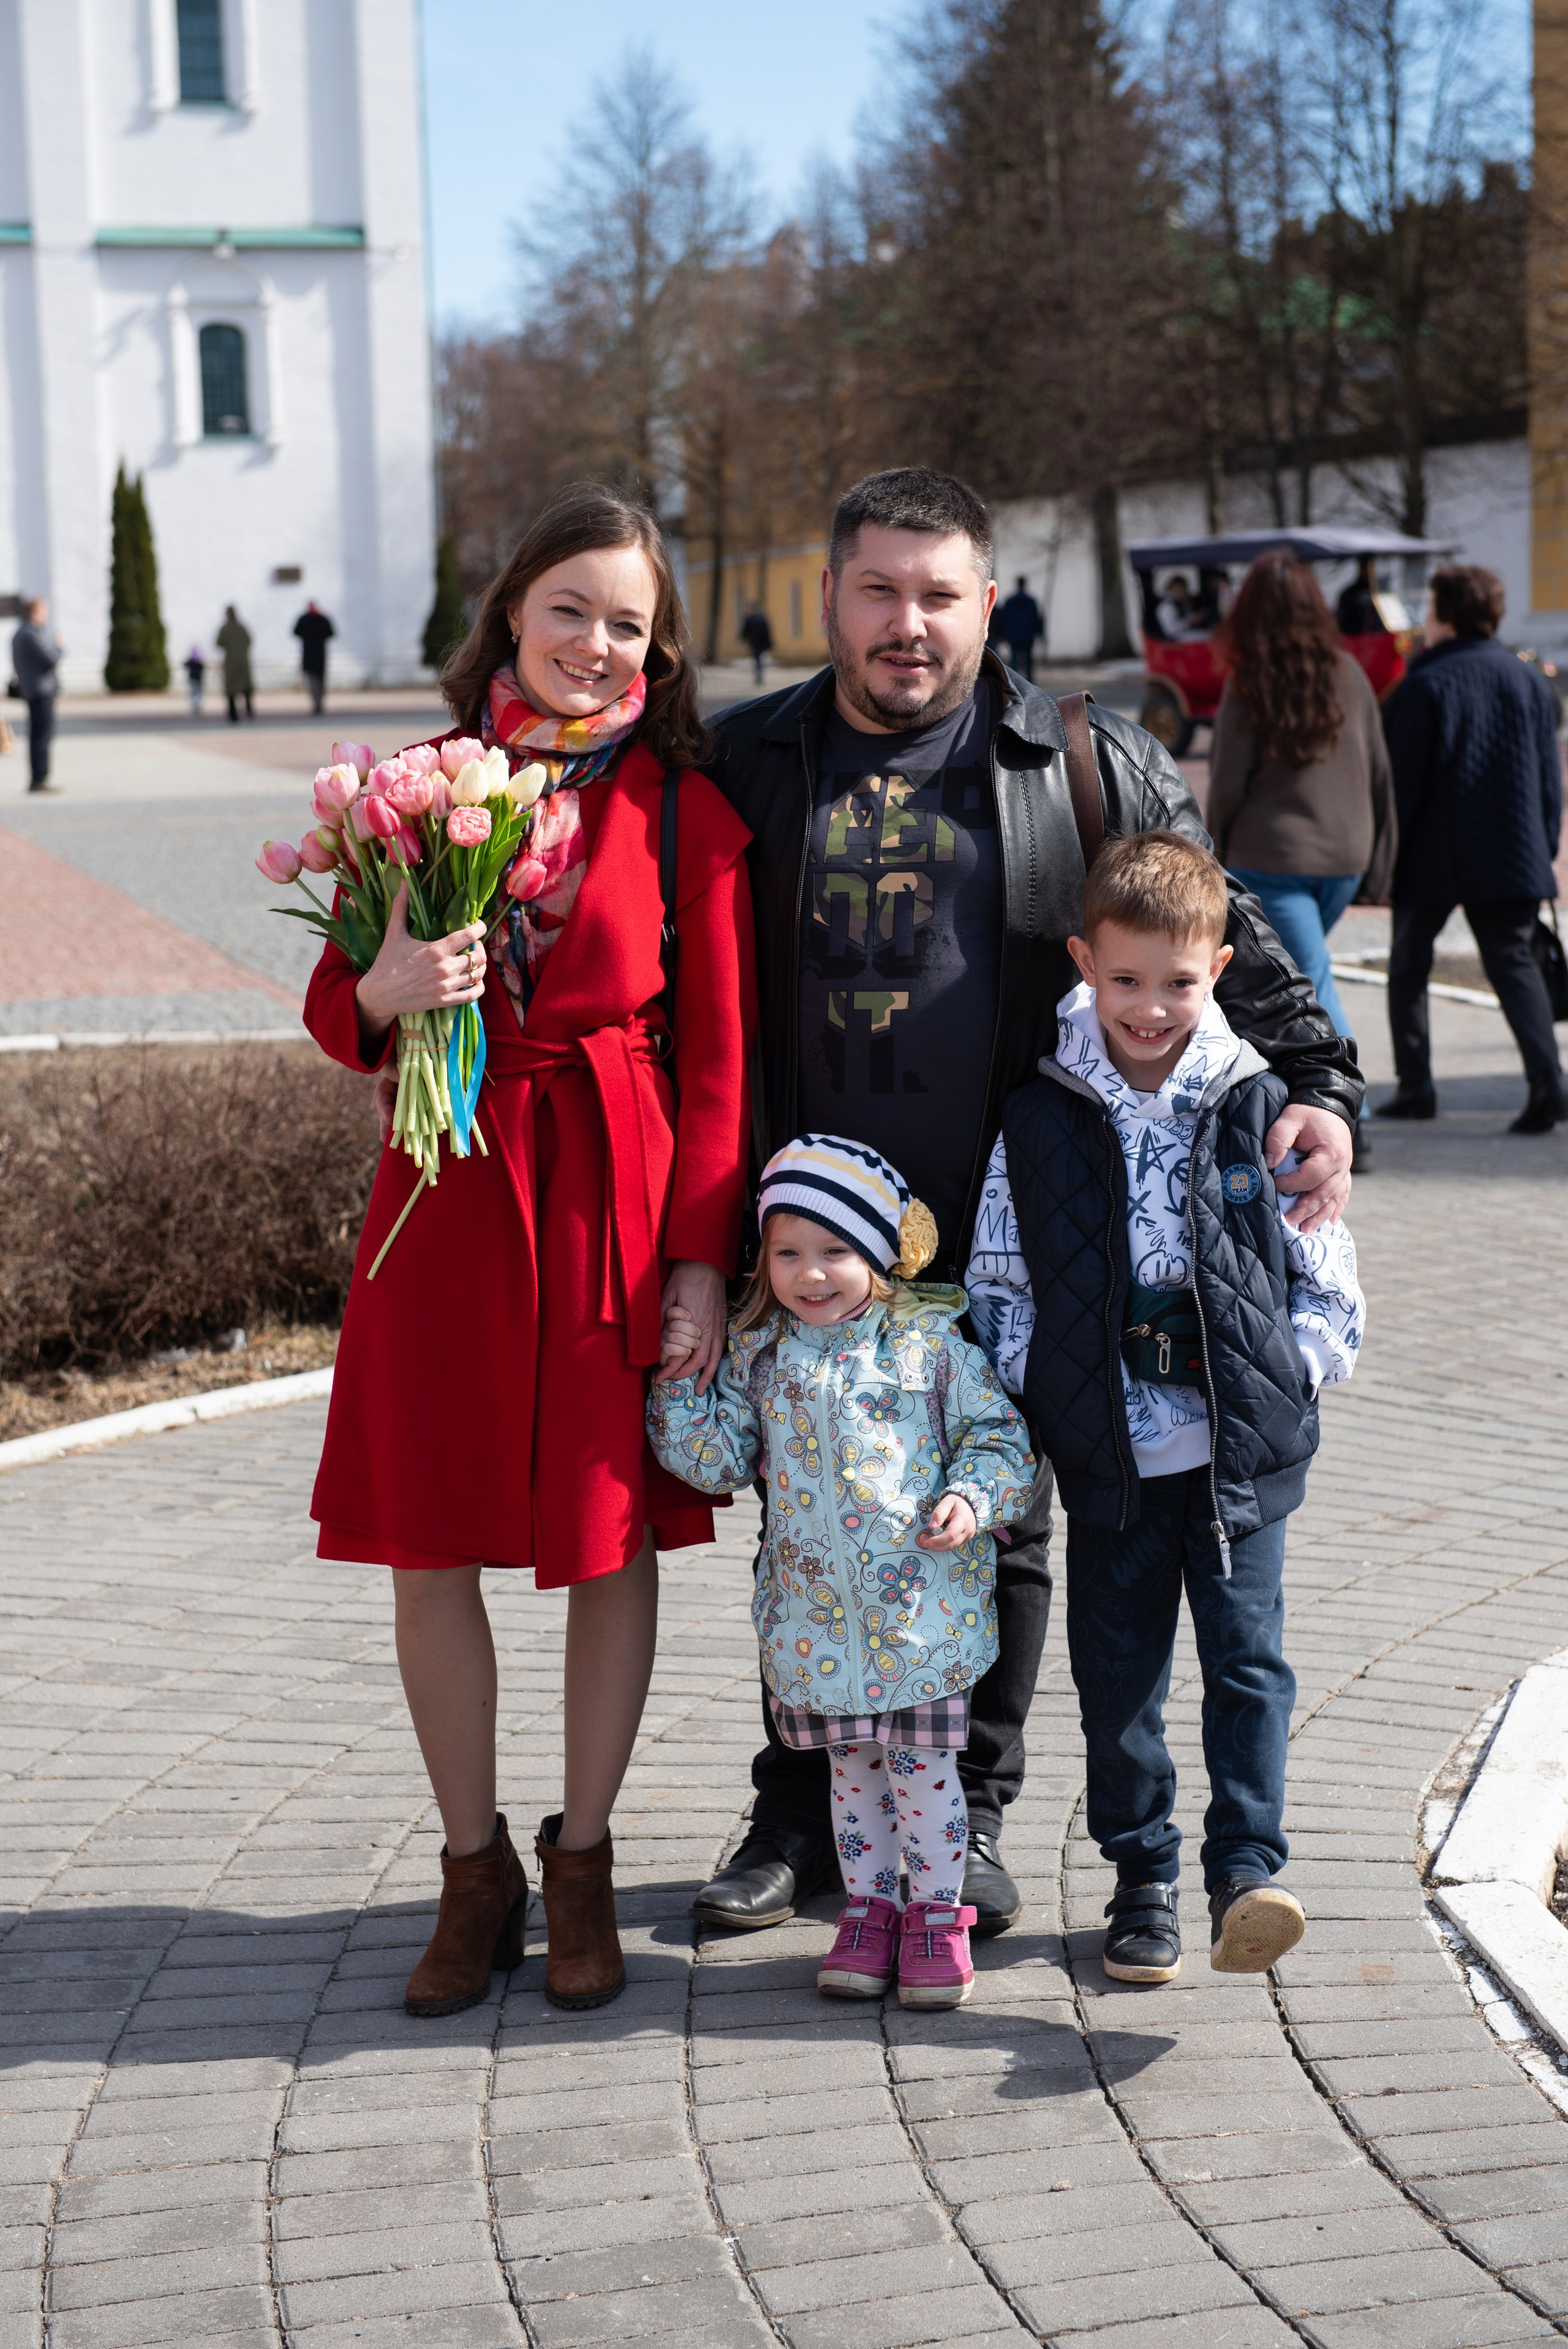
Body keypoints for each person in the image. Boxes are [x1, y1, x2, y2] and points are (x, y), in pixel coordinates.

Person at [698, 466, 1362, 1940]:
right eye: (876, 589)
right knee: (812, 1515)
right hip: (814, 1236)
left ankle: (970, 1813)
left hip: (1015, 1233)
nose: (905, 623)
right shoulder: (749, 757)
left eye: (938, 593)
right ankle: (797, 1810)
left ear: (985, 602)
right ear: (830, 597)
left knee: (994, 1522)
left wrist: (1318, 1082)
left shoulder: (1081, 763)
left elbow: (1226, 952)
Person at [310, 486, 756, 2017]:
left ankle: (579, 1859)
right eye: (568, 606)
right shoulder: (419, 786)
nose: (593, 640)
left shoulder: (683, 806)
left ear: (660, 645)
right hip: (442, 1196)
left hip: (604, 1208)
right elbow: (336, 1017)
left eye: (627, 621)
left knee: (603, 1532)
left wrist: (699, 1258)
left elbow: (718, 1061)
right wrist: (386, 979)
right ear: (511, 609)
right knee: (430, 1534)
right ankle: (471, 1865)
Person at [967, 830, 1364, 1983]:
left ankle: (1247, 1870)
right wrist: (1047, 1394)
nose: (1151, 1008)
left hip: (1242, 1457)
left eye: (1179, 983)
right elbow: (1000, 1275)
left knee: (1249, 1665)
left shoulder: (1258, 1104)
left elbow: (1322, 1266)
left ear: (1221, 967)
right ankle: (1141, 1879)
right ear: (1085, 962)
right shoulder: (1040, 1112)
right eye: (1126, 980)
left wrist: (1284, 1370)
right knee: (1118, 1674)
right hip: (1113, 1462)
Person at [649, 1134, 1035, 2008]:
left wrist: (973, 1496)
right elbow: (715, 1460)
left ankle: (935, 1915)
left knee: (926, 1777)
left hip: (919, 1622)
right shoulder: (761, 1356)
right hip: (817, 1622)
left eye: (835, 1252)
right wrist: (677, 1384)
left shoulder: (927, 1348)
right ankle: (867, 1910)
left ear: (880, 1256)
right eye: (788, 1252)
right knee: (851, 1778)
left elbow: (1001, 1436)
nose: (810, 1273)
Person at [1208, 548, 1396, 1172]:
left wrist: (1209, 849)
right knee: (1312, 972)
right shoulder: (1349, 671)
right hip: (1345, 855)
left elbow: (1228, 782)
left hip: (1275, 856)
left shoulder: (1249, 676)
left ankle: (1348, 1117)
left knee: (1308, 981)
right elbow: (1378, 772)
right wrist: (1381, 857)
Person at [1380, 564, 1566, 1134]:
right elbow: (1548, 774)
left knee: (1409, 965)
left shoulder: (1422, 686)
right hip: (1512, 849)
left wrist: (1383, 859)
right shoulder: (1529, 678)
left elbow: (1401, 787)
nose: (1425, 621)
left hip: (1432, 854)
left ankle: (1417, 1089)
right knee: (1514, 964)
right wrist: (1546, 841)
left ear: (1449, 615)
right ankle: (1548, 1084)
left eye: (1431, 609)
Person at [12, 597, 61, 792]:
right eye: (43, 612)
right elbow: (51, 657)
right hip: (41, 690)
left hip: (31, 690)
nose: (45, 616)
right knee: (42, 736)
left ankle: (38, 778)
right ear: (34, 613)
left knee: (37, 735)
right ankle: (39, 778)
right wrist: (58, 645)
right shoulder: (31, 634)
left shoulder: (20, 634)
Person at [997, 576, 1044, 681]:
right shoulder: (1031, 601)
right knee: (1028, 662)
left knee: (1014, 660)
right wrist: (1040, 635)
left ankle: (1014, 683)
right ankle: (1030, 684)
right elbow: (1036, 619)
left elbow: (1004, 619)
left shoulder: (1010, 601)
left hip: (1013, 636)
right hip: (1028, 636)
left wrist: (1002, 635)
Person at [293, 600, 335, 715]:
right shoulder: (323, 619)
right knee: (320, 682)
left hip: (309, 656)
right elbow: (331, 633)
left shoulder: (304, 620)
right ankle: (319, 703)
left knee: (313, 683)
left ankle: (317, 703)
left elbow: (296, 632)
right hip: (320, 656)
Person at [1334, 557, 1387, 638]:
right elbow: (1345, 622)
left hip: (1380, 636)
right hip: (1357, 638)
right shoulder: (1350, 594)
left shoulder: (1382, 591)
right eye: (1366, 567)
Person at [217, 606, 254, 722]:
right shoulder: (242, 628)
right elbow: (249, 641)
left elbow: (219, 643)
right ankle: (249, 711)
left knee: (231, 689)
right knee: (245, 688)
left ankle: (233, 715)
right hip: (243, 661)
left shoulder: (225, 629)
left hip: (231, 662)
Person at [740, 601, 772, 687]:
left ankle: (759, 674)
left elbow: (745, 630)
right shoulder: (761, 619)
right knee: (759, 659)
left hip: (755, 642)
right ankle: (759, 675)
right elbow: (767, 631)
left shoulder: (751, 619)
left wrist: (743, 638)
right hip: (760, 643)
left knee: (757, 659)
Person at [184, 646, 206, 718]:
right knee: (197, 693)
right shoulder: (199, 661)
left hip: (194, 679)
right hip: (197, 679)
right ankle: (196, 706)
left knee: (195, 693)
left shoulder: (192, 661)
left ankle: (195, 707)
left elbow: (185, 664)